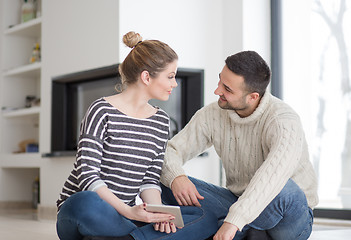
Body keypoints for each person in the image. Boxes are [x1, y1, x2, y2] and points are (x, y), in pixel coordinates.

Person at [56, 31, 217, 240]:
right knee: (84, 201)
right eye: (170, 76)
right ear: (146, 76)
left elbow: (149, 179)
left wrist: (158, 212)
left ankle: (129, 237)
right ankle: (135, 235)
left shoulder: (160, 121)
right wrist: (129, 212)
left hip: (123, 217)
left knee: (206, 216)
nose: (174, 84)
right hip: (88, 212)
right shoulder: (101, 110)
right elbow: (87, 176)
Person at [160, 50, 319, 240]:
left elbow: (272, 179)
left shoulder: (283, 120)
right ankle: (247, 233)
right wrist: (177, 177)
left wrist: (233, 222)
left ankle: (230, 228)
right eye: (220, 81)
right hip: (237, 201)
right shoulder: (212, 114)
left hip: (289, 216)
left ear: (253, 97)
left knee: (285, 190)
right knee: (166, 182)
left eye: (227, 89)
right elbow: (170, 150)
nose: (217, 91)